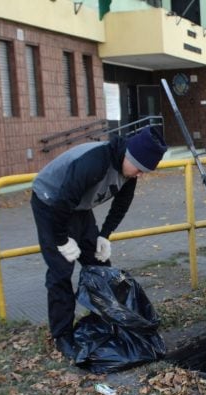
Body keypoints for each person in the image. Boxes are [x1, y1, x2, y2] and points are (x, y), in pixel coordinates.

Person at [30, 126, 167, 352]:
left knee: (100, 265)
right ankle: (62, 335)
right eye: (140, 169)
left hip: (80, 207)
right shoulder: (94, 163)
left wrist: (104, 235)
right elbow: (63, 201)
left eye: (145, 171)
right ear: (128, 156)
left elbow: (121, 206)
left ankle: (109, 320)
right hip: (50, 202)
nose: (140, 175)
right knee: (61, 271)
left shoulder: (129, 173)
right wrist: (62, 240)